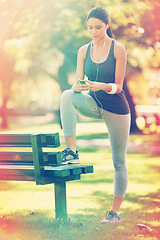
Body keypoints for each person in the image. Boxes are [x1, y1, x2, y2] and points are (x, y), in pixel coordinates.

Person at [60, 7, 131, 224]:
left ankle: (114, 213)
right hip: (93, 102)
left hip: (116, 107)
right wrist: (79, 86)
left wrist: (101, 86)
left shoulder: (118, 49)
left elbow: (118, 87)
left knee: (119, 162)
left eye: (98, 27)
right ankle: (71, 151)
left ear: (107, 25)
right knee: (66, 95)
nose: (94, 31)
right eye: (90, 27)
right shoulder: (83, 50)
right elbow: (77, 81)